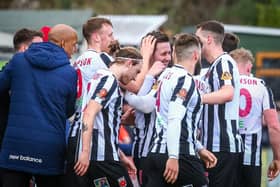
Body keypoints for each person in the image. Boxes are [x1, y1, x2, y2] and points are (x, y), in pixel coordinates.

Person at [130, 33, 216, 187]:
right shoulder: (185, 80)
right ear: (196, 55)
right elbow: (174, 119)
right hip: (180, 155)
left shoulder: (165, 76)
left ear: (175, 53)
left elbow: (148, 105)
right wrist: (174, 156)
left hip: (155, 153)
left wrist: (199, 148)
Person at [0, 24, 78, 187]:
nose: (75, 48)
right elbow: (68, 110)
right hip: (49, 148)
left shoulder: (19, 60)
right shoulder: (70, 73)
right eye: (74, 44)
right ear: (63, 43)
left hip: (16, 145)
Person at [64, 47, 142, 187]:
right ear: (129, 63)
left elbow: (100, 122)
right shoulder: (108, 80)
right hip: (99, 156)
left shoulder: (99, 76)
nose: (135, 77)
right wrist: (85, 152)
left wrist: (121, 156)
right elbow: (89, 113)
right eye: (137, 71)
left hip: (94, 152)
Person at [195, 20, 243, 187]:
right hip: (213, 145)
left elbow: (227, 93)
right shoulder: (214, 66)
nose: (195, 44)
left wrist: (197, 99)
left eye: (197, 39)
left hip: (222, 145)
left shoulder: (224, 62)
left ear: (208, 39)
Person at [230, 48, 280, 186]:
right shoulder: (261, 86)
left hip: (225, 154)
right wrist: (277, 158)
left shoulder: (223, 85)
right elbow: (274, 126)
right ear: (249, 66)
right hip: (251, 157)